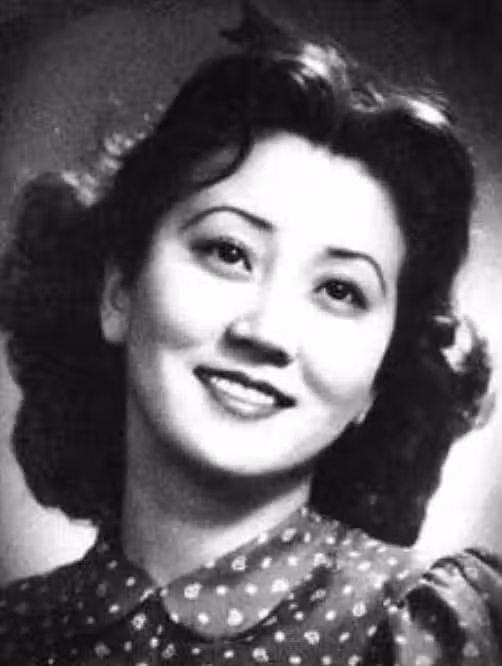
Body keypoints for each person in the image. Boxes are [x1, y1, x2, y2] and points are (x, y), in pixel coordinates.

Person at [0, 7, 500, 665]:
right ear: (119, 290)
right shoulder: (15, 630)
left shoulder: (425, 631)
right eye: (229, 252)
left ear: (381, 378)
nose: (265, 331)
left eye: (340, 290)